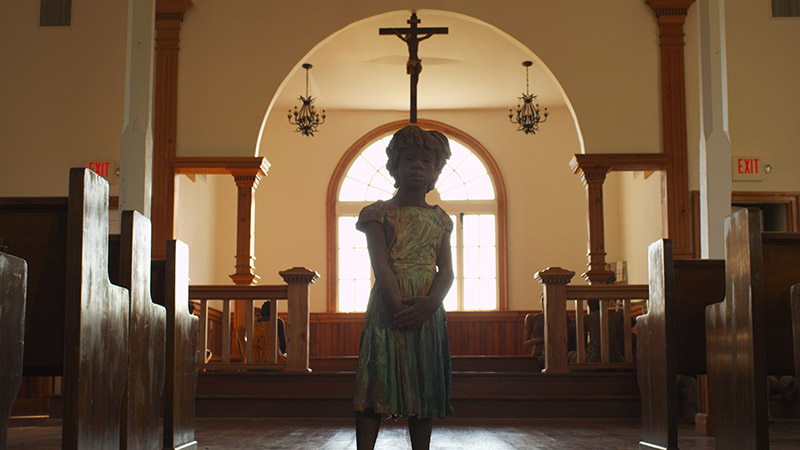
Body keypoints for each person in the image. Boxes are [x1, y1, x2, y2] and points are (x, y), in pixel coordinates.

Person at [353, 125, 454, 450]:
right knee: (376, 384)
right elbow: (381, 265)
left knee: (423, 389)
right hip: (388, 305)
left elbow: (447, 272)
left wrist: (429, 305)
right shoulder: (378, 214)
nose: (418, 166)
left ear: (436, 170)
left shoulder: (440, 219)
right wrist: (398, 307)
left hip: (428, 309)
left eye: (427, 161)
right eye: (409, 159)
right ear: (394, 165)